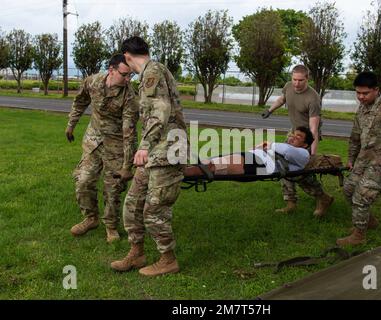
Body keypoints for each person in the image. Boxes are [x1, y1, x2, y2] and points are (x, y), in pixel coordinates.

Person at [111, 36, 188, 277]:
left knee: (155, 210)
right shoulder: (151, 72)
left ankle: (168, 260)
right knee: (133, 203)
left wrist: (143, 146)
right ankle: (137, 253)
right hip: (157, 150)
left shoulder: (152, 71)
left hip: (167, 150)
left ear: (126, 56)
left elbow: (160, 110)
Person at [66, 54, 139, 243]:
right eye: (124, 74)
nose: (127, 79)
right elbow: (80, 101)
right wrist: (71, 124)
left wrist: (126, 166)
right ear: (111, 70)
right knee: (83, 181)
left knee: (112, 188)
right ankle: (90, 218)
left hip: (116, 145)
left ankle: (111, 226)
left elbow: (129, 132)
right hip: (94, 141)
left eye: (130, 75)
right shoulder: (93, 81)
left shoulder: (130, 96)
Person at [336, 71, 381, 246]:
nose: (361, 97)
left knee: (362, 197)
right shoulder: (362, 108)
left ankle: (359, 236)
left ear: (376, 90)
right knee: (348, 189)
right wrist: (351, 158)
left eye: (365, 93)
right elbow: (355, 136)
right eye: (358, 93)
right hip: (363, 159)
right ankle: (369, 222)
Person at [261, 65, 333, 217]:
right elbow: (282, 99)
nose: (296, 83)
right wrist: (270, 110)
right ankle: (291, 202)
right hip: (293, 133)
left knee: (300, 172)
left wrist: (312, 154)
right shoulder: (288, 86)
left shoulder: (313, 98)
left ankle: (323, 198)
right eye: (294, 79)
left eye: (300, 80)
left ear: (307, 79)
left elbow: (313, 129)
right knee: (281, 164)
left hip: (306, 138)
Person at [184, 127, 314, 178]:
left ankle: (177, 173)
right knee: (206, 163)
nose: (292, 137)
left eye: (298, 137)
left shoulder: (304, 154)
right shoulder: (282, 148)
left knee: (211, 167)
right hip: (252, 159)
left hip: (260, 164)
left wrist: (269, 144)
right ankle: (179, 170)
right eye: (293, 134)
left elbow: (287, 151)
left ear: (305, 144)